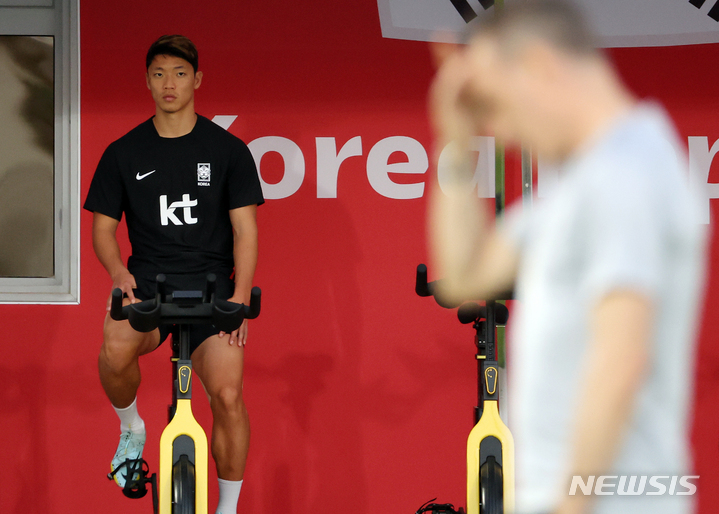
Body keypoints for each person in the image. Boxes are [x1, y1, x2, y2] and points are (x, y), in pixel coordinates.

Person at [427, 2, 706, 514]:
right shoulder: (577, 182)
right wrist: (456, 143)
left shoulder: (627, 169)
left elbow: (621, 357)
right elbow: (465, 277)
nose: (502, 130)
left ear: (539, 65)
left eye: (497, 105)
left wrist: (570, 507)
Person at [84, 35, 264, 514]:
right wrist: (118, 271)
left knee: (227, 395)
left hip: (212, 289)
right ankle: (131, 427)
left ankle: (227, 508)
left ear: (197, 80)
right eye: (160, 73)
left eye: (180, 74)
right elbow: (103, 231)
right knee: (114, 348)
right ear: (147, 81)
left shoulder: (228, 150)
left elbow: (245, 230)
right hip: (147, 285)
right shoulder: (123, 151)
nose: (169, 83)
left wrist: (241, 296)